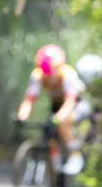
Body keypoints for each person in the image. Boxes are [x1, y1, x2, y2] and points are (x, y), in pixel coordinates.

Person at [16, 44, 92, 175]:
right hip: (58, 105)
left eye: (51, 76)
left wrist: (58, 119)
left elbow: (69, 103)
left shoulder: (68, 74)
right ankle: (56, 166)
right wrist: (21, 116)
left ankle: (75, 155)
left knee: (62, 122)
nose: (49, 80)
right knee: (49, 132)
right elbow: (29, 100)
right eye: (46, 76)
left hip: (77, 105)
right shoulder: (38, 75)